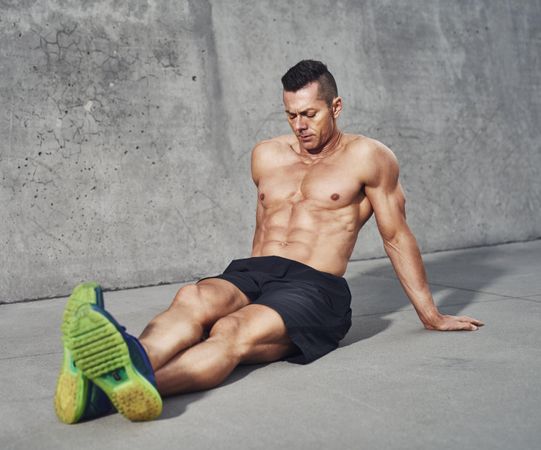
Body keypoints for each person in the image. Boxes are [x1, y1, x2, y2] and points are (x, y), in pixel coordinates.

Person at [53, 59, 484, 424]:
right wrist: (234, 289)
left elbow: (395, 235)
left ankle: (120, 388)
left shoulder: (369, 157)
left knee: (230, 329)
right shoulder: (266, 155)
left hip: (315, 286)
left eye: (310, 114)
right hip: (255, 271)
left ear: (336, 106)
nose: (300, 125)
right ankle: (126, 360)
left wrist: (431, 313)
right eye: (291, 115)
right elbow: (265, 228)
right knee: (194, 299)